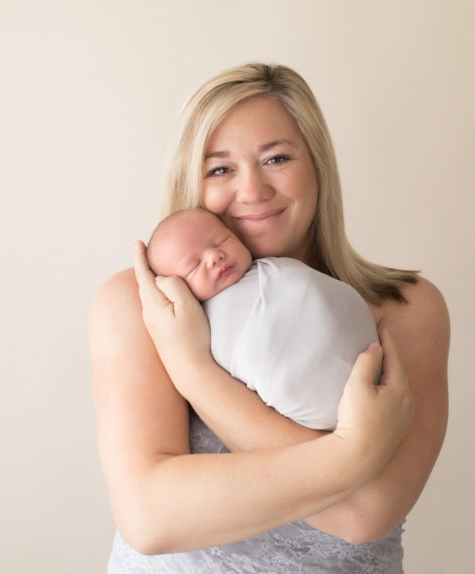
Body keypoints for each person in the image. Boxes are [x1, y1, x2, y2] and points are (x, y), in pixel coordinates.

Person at [90, 63, 450, 572]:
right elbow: (149, 518)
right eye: (220, 169)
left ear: (318, 166)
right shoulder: (138, 306)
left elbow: (366, 514)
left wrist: (193, 369)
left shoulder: (406, 308)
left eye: (276, 158)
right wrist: (353, 455)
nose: (252, 189)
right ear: (191, 181)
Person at [146, 207, 379, 430]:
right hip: (311, 405)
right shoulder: (197, 328)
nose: (215, 256)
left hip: (363, 360)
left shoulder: (271, 269)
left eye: (221, 241)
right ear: (172, 289)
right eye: (194, 265)